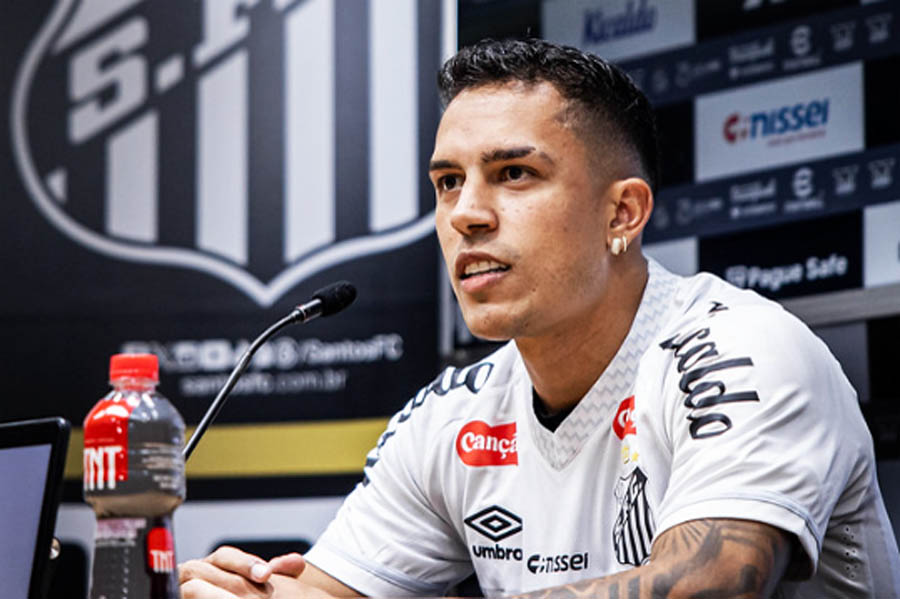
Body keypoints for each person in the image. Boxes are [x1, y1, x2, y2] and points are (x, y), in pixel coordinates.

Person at [179, 38, 900, 598]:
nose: (466, 214)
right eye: (448, 181)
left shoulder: (747, 346)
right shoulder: (450, 417)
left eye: (514, 174)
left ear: (622, 214)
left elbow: (711, 584)